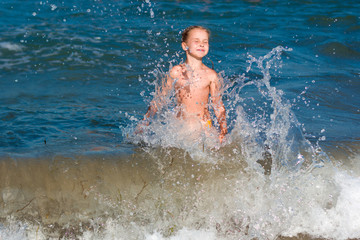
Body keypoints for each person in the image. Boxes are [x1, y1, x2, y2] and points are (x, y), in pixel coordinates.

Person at [138, 25, 227, 143]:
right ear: (185, 46)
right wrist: (145, 122)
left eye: (205, 42)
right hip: (183, 125)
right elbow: (160, 98)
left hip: (205, 125)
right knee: (190, 127)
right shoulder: (176, 72)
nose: (201, 44)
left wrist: (223, 129)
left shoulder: (211, 75)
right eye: (196, 41)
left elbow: (218, 105)